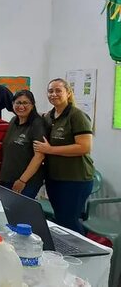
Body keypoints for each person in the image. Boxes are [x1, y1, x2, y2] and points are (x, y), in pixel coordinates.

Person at [33, 78, 95, 234]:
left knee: (69, 220)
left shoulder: (77, 115)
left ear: (68, 93)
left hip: (75, 179)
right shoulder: (48, 116)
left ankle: (84, 253)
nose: (54, 94)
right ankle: (67, 253)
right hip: (54, 178)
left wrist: (50, 150)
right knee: (60, 219)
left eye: (58, 90)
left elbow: (84, 147)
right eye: (50, 91)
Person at [0, 90, 46, 198]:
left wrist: (22, 180)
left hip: (26, 181)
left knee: (21, 213)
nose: (21, 106)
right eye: (18, 102)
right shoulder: (13, 121)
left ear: (32, 105)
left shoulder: (37, 124)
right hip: (8, 178)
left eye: (26, 103)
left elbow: (39, 156)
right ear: (13, 104)